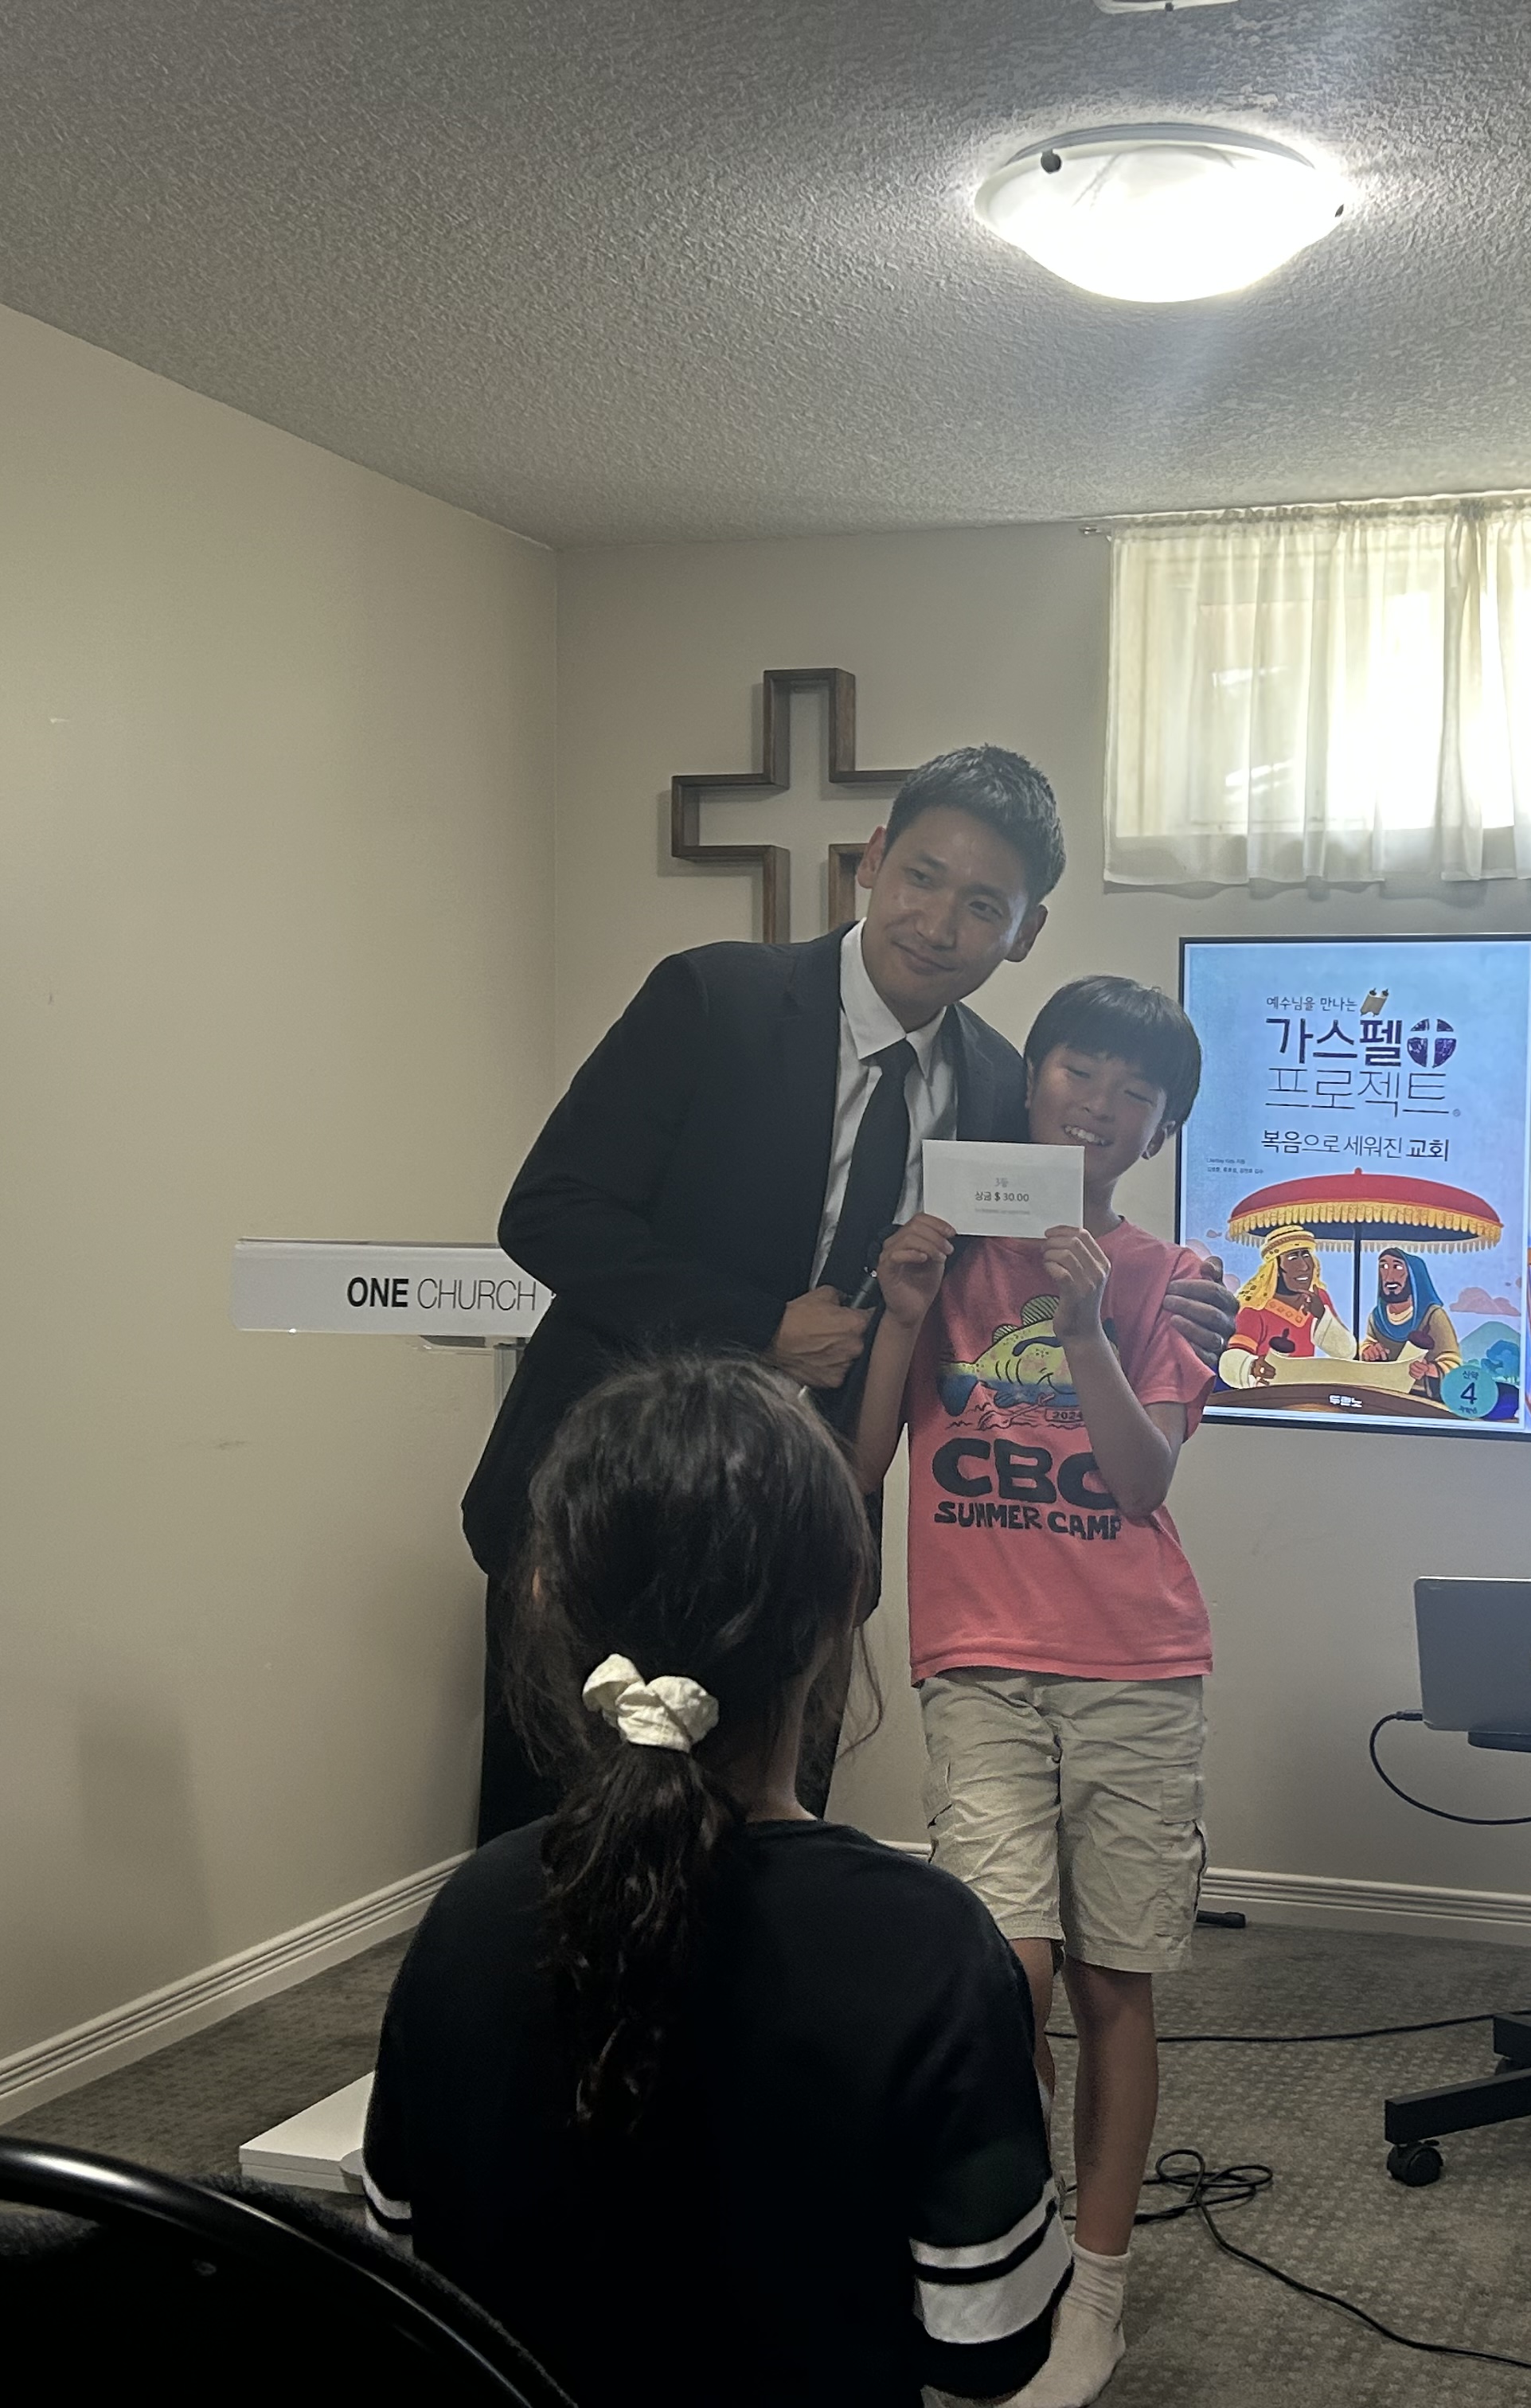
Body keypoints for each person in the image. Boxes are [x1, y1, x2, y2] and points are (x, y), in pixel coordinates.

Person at [459, 745, 1236, 1838]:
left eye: (984, 905)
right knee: (558, 1842)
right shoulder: (714, 998)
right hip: (610, 1492)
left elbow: (1040, 1251)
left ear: (1025, 932)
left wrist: (1185, 1299)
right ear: (873, 860)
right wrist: (759, 1329)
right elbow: (548, 1213)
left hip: (808, 1517)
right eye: (921, 876)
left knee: (768, 1848)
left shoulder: (1000, 1088)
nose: (939, 923)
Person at [365, 1352, 1068, 2407]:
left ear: (548, 1596)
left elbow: (405, 2274)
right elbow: (993, 2348)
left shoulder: (467, 1916)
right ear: (844, 1602)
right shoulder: (934, 1951)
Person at [850, 977, 1213, 2408]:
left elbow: (1141, 1479)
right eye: (1080, 1071)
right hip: (980, 1661)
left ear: (1161, 1128)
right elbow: (863, 1464)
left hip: (1134, 1664)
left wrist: (1083, 1325)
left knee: (1115, 1978)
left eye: (1136, 1093)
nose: (1099, 1106)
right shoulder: (943, 1251)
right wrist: (901, 1313)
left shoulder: (1172, 1273)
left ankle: (1098, 2289)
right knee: (1011, 1980)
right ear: (1032, 1079)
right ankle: (1030, 2242)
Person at [1217, 1223, 1353, 1388]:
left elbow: (1346, 1352)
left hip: (1306, 1392)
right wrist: (1252, 1366)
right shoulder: (1256, 1308)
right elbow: (1232, 1360)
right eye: (1293, 1257)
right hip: (1268, 1395)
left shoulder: (1318, 1298)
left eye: (1306, 1255)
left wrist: (1322, 1315)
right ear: (1276, 1268)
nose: (1304, 1266)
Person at [1356, 1245, 1466, 1395]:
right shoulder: (1376, 1317)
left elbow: (1453, 1362)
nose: (1389, 1277)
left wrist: (1428, 1370)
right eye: (1383, 1267)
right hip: (1382, 1392)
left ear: (1414, 1276)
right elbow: (1368, 1342)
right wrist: (1368, 1350)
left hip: (1420, 1396)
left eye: (1397, 1267)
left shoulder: (1432, 1316)